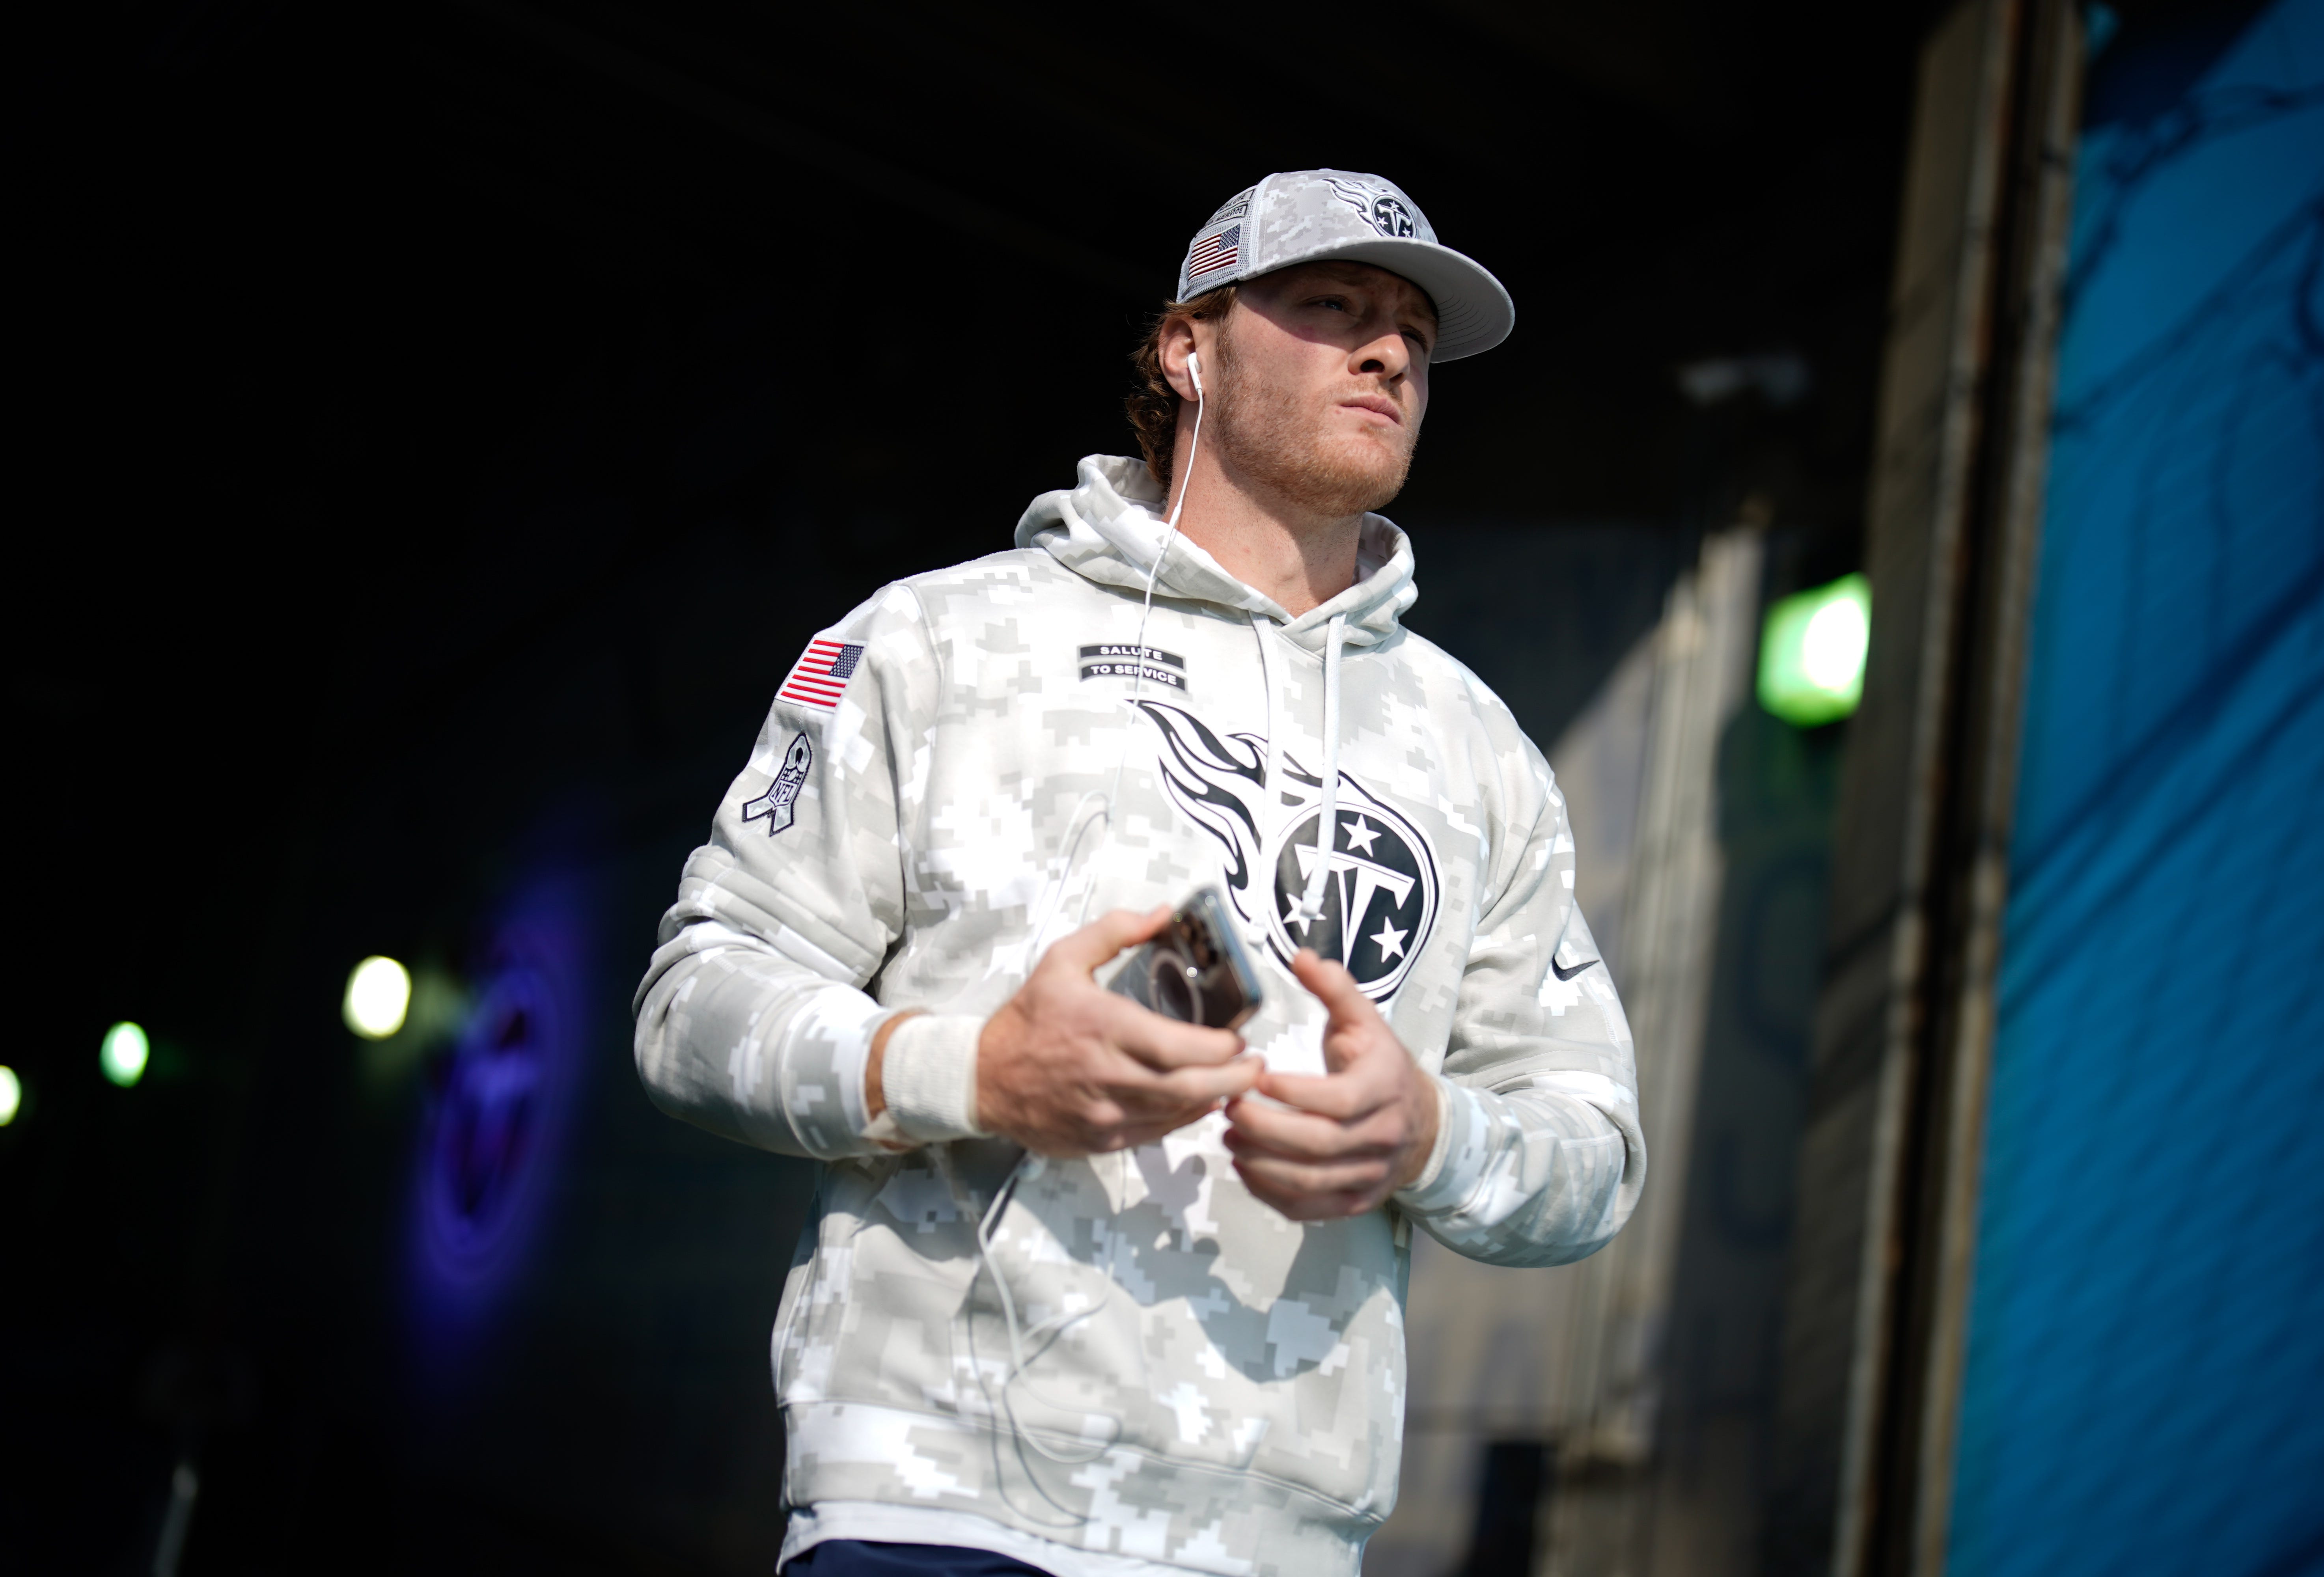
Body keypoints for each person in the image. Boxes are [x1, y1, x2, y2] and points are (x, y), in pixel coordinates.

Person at [632, 169, 1645, 1577]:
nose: (1390, 351)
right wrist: (974, 1074)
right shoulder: (937, 641)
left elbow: (1594, 1151)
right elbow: (695, 1001)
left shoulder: (1481, 751)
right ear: (1189, 349)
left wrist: (1428, 1137)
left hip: (1275, 1542)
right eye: (1332, 305)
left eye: (1414, 328)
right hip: (935, 1506)